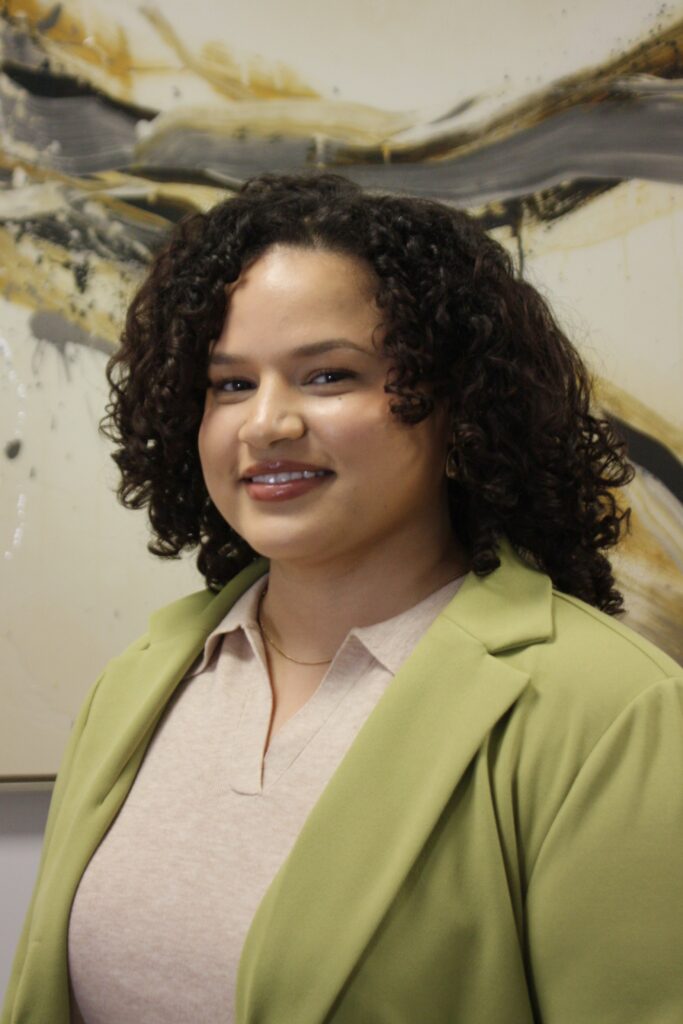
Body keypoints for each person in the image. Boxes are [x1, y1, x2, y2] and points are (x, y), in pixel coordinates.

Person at [3, 172, 682, 1024]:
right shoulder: (138, 684)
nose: (267, 424)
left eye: (327, 376)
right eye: (230, 384)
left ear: (458, 407)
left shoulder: (608, 711)